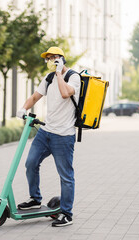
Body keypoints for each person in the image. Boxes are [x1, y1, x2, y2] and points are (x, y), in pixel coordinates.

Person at [16, 46, 81, 227]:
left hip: (64, 135)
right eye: (48, 59)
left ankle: (67, 213)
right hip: (46, 132)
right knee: (30, 163)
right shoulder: (49, 77)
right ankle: (35, 199)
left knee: (66, 176)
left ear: (61, 59)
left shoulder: (73, 77)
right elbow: (35, 96)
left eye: (53, 58)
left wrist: (60, 73)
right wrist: (23, 108)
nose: (50, 61)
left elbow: (65, 93)